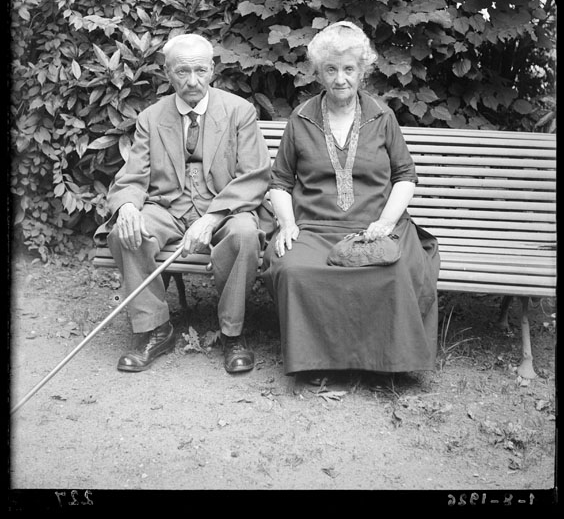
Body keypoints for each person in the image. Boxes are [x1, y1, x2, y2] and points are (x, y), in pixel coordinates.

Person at [261, 21, 440, 380]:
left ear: (362, 72)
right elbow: (279, 182)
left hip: (375, 226)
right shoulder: (301, 118)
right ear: (319, 73)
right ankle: (317, 363)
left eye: (348, 69)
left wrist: (387, 223)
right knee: (293, 269)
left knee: (394, 272)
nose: (340, 78)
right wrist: (287, 223)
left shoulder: (381, 116)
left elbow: (405, 176)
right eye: (331, 69)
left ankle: (386, 365)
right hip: (312, 226)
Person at [95, 33, 273, 374]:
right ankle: (156, 329)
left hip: (225, 208)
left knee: (245, 235)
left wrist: (212, 217)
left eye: (200, 71)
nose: (192, 81)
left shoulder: (239, 111)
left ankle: (232, 333)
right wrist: (129, 207)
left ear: (213, 70)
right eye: (182, 72)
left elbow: (254, 176)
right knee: (126, 231)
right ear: (167, 72)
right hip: (168, 207)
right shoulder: (151, 117)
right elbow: (133, 175)